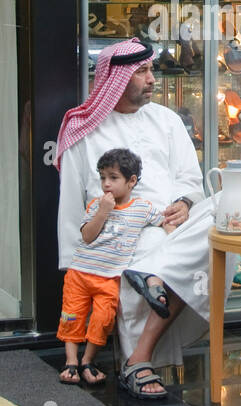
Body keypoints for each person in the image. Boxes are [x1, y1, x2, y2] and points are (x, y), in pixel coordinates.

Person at [56, 38, 231, 400]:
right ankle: (141, 359)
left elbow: (189, 179)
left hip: (172, 224)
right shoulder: (84, 131)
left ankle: (151, 281)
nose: (152, 79)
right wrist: (75, 264)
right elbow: (71, 204)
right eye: (142, 71)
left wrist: (184, 202)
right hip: (118, 233)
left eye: (151, 69)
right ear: (117, 79)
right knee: (161, 252)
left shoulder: (167, 121)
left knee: (225, 210)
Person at [58, 148, 169, 386]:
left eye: (113, 178)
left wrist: (173, 238)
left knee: (102, 320)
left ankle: (88, 361)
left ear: (131, 181)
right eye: (102, 177)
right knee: (72, 316)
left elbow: (163, 223)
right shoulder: (96, 206)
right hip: (79, 273)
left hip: (109, 278)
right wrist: (103, 211)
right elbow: (87, 236)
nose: (106, 184)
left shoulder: (142, 208)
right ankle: (71, 363)